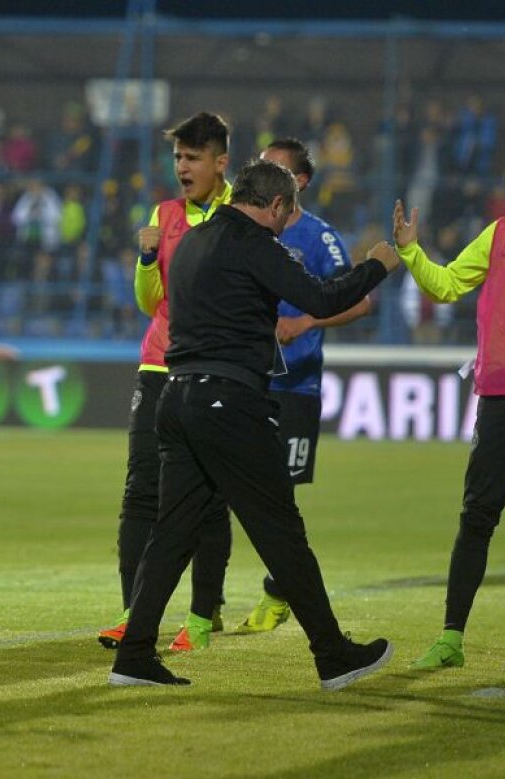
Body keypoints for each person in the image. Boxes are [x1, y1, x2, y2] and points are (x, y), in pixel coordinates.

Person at [109, 159, 401, 688]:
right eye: (287, 212)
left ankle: (133, 657)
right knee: (281, 530)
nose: (288, 221)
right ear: (276, 205)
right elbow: (324, 297)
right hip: (228, 402)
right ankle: (332, 654)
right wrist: (379, 263)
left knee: (172, 532)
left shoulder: (196, 241)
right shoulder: (255, 245)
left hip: (176, 398)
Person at [169, 137, 372, 648]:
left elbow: (354, 300)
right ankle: (209, 607)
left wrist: (304, 322)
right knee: (233, 504)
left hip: (292, 386)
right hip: (239, 386)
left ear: (296, 184)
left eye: (272, 168)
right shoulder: (236, 231)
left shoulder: (319, 238)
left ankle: (280, 595)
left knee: (276, 502)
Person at [387, 137, 505, 670]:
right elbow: (446, 287)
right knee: (476, 518)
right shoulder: (498, 236)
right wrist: (410, 251)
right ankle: (450, 638)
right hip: (497, 399)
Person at [97, 112, 233, 649]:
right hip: (158, 365)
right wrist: (146, 258)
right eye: (178, 157)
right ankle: (136, 615)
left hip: (212, 370)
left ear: (220, 163)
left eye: (193, 157)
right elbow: (148, 301)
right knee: (140, 494)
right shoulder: (165, 214)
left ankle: (202, 616)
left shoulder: (237, 216)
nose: (182, 166)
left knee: (209, 498)